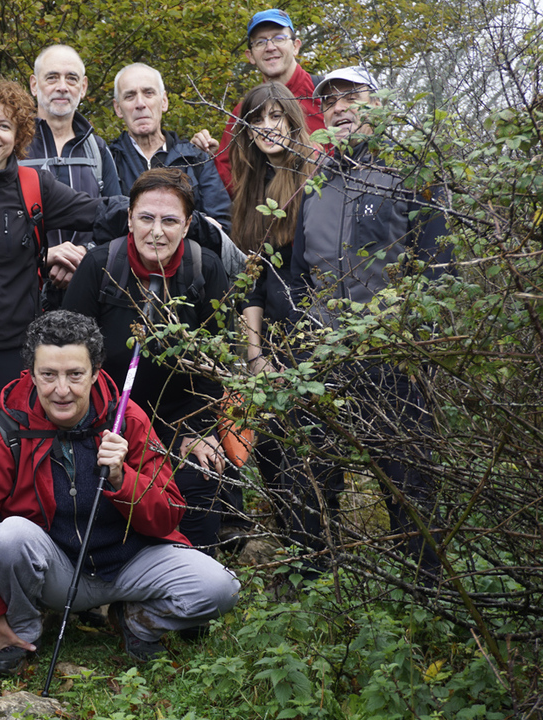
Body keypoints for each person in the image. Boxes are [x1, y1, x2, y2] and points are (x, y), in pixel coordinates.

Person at [0, 310, 240, 676]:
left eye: (75, 374)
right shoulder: (6, 434)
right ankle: (20, 630)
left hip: (133, 562)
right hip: (58, 573)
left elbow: (169, 511)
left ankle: (135, 619)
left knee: (221, 587)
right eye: (48, 375)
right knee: (9, 537)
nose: (62, 390)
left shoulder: (128, 419)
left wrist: (123, 479)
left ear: (95, 372)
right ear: (31, 373)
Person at [288, 66, 451, 573]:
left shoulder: (412, 173)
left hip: (392, 358)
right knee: (311, 478)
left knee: (409, 483)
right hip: (322, 359)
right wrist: (302, 340)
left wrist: (415, 344)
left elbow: (438, 266)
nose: (339, 107)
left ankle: (427, 589)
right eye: (328, 101)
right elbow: (297, 276)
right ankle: (312, 585)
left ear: (376, 104)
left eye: (351, 96)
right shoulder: (315, 186)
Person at [0, 77, 126, 444]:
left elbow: (98, 212)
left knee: (10, 451)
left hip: (14, 349)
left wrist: (151, 207)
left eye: (4, 125)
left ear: (19, 135)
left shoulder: (34, 185)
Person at [63, 168, 247, 551]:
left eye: (170, 221)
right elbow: (69, 354)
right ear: (129, 218)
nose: (157, 232)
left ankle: (190, 570)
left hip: (179, 416)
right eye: (146, 218)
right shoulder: (99, 266)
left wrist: (200, 429)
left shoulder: (205, 268)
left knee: (200, 476)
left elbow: (217, 364)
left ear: (188, 224)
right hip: (107, 416)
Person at [228, 82, 319, 550]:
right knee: (268, 445)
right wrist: (255, 355)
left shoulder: (315, 178)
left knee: (313, 456)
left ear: (292, 121)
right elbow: (252, 283)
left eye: (276, 116)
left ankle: (316, 556)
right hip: (274, 342)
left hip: (317, 337)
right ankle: (294, 547)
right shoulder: (252, 188)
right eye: (256, 119)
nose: (267, 127)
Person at [22, 44, 122, 300]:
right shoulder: (13, 147)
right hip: (21, 292)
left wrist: (85, 254)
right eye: (52, 77)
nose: (62, 87)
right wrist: (45, 255)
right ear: (34, 85)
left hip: (88, 288)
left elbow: (117, 221)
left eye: (71, 78)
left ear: (83, 87)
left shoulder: (98, 150)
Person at [207, 9, 326, 196]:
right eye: (260, 42)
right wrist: (205, 156)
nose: (270, 47)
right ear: (250, 56)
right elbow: (227, 179)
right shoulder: (244, 113)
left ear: (296, 46)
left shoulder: (327, 96)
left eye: (279, 38)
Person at [108, 63, 232, 231]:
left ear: (164, 101)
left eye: (148, 93)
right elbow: (106, 224)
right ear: (118, 108)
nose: (140, 103)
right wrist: (187, 221)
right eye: (130, 96)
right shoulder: (109, 160)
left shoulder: (195, 159)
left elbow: (223, 227)